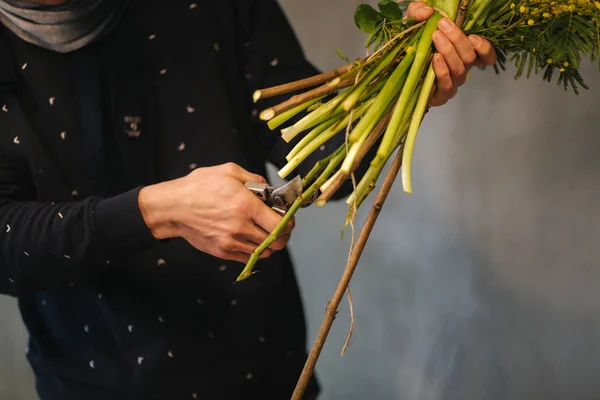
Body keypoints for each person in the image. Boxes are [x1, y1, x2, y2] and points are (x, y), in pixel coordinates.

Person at [0, 0, 497, 399]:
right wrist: (157, 211)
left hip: (262, 373)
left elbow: (321, 161)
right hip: (91, 380)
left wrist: (402, 88)